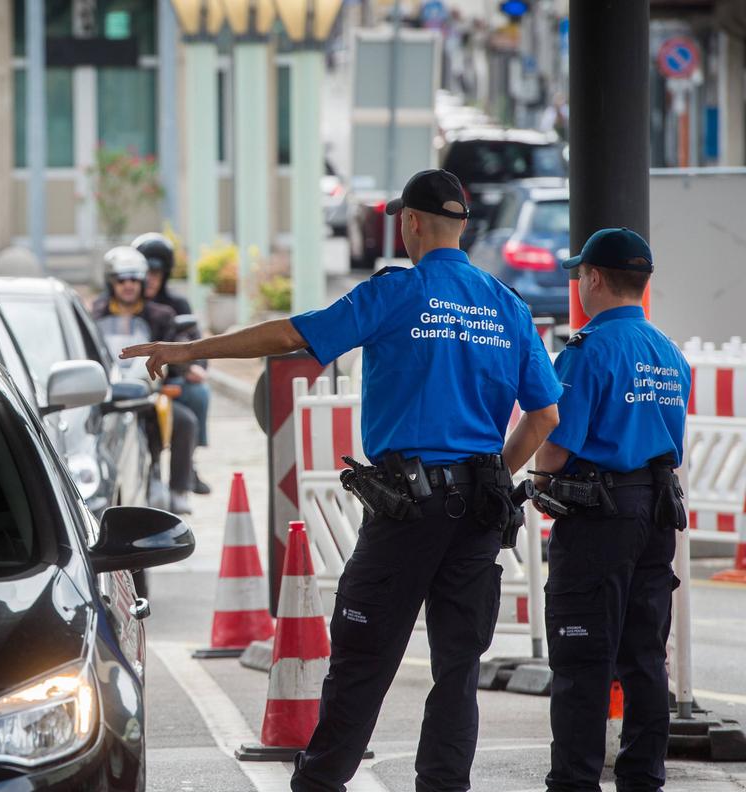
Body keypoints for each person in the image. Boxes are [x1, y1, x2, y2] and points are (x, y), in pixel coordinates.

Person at [122, 168, 563, 792]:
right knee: (458, 670)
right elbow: (545, 414)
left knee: (361, 660)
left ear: (409, 223)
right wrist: (495, 474)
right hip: (478, 515)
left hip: (408, 511)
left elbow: (292, 334)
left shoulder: (397, 294)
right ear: (461, 228)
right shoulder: (508, 305)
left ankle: (321, 784)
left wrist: (189, 351)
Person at [533, 228, 689, 792]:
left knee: (581, 657)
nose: (577, 282)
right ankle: (643, 778)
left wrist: (535, 480)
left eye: (579, 274)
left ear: (594, 278)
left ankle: (574, 782)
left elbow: (555, 438)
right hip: (657, 510)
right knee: (645, 655)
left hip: (600, 514)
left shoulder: (587, 350)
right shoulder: (670, 353)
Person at [92, 245, 199, 515]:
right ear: (111, 283)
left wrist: (182, 364)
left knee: (185, 422)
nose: (128, 286)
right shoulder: (96, 313)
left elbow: (180, 346)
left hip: (149, 391)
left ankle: (178, 489)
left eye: (133, 279)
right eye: (121, 280)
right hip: (110, 392)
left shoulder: (161, 316)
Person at [133, 232, 213, 496]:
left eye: (157, 272)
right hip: (135, 378)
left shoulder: (175, 306)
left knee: (198, 395)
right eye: (145, 272)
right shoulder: (126, 304)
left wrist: (194, 366)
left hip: (172, 377)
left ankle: (188, 463)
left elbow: (194, 342)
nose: (150, 279)